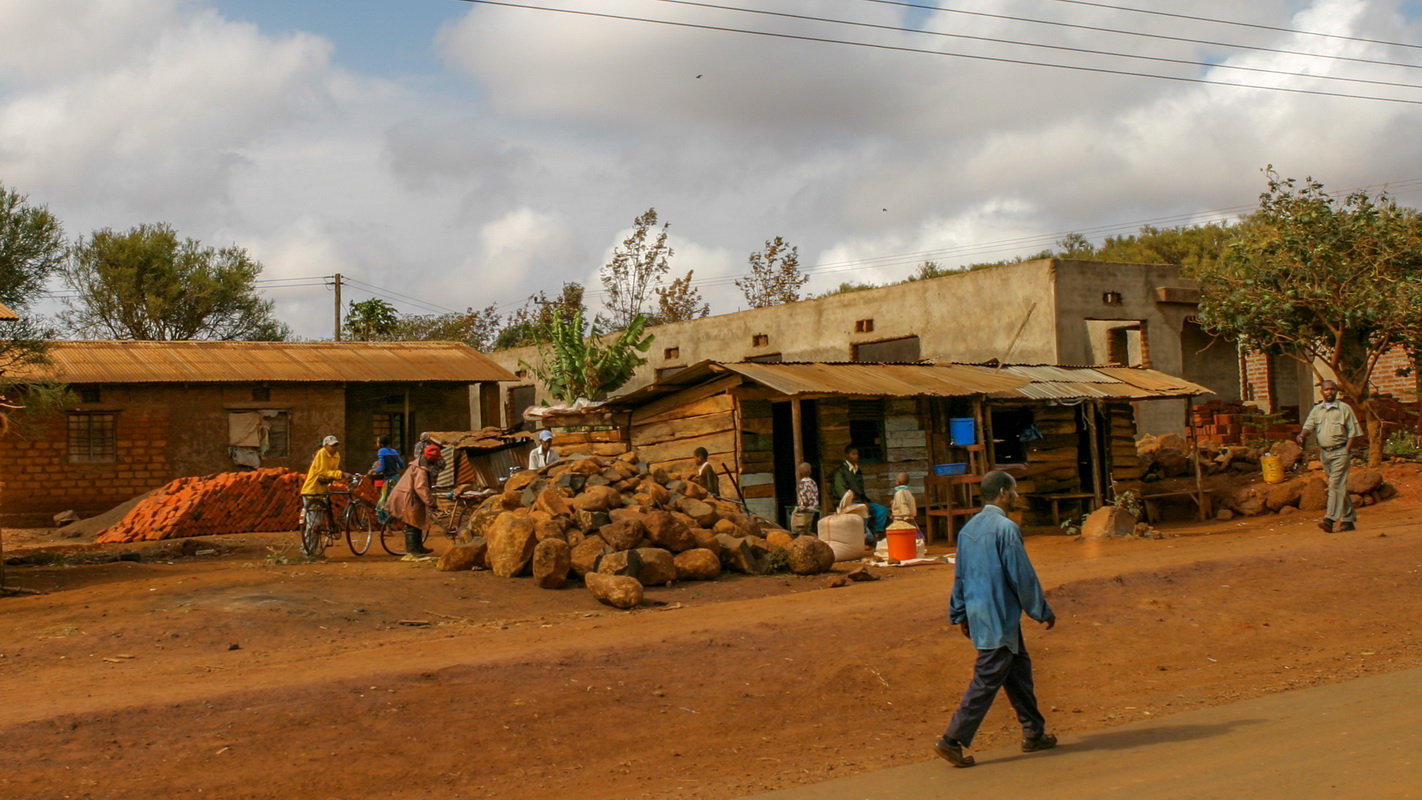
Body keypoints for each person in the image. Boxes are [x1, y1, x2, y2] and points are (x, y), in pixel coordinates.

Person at [934, 469, 1057, 769]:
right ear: (1003, 492)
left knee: (1018, 670)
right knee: (987, 677)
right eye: (1013, 490)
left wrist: (959, 613)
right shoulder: (1005, 529)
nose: (1016, 496)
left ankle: (1034, 732)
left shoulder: (968, 530)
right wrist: (1040, 610)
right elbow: (1022, 576)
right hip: (999, 615)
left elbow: (960, 576)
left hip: (981, 613)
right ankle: (952, 740)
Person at [1296, 380, 1365, 533]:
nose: (1329, 392)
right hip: (1325, 453)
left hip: (1341, 451)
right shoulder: (1317, 410)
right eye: (1327, 389)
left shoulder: (1344, 409)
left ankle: (1330, 519)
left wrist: (1346, 450)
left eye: (1332, 389)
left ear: (1336, 391)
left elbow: (1353, 432)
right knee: (1338, 486)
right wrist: (1302, 435)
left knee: (1334, 484)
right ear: (1322, 391)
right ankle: (1348, 520)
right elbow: (1309, 426)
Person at [386, 444, 442, 558]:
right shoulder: (420, 470)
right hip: (407, 498)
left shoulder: (420, 465)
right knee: (412, 523)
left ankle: (418, 547)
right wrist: (431, 502)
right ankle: (412, 550)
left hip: (412, 497)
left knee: (417, 523)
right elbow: (421, 487)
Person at [830, 445, 890, 545]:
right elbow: (842, 494)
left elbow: (860, 491)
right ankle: (864, 539)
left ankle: (877, 534)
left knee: (882, 510)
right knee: (863, 511)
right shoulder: (840, 472)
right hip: (847, 503)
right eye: (853, 454)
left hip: (861, 501)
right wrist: (860, 503)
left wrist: (864, 501)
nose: (856, 456)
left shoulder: (857, 470)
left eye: (857, 454)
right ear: (846, 455)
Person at [301, 435, 350, 535]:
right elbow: (323, 472)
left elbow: (333, 472)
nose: (334, 448)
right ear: (325, 446)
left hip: (322, 490)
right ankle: (306, 549)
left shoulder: (336, 456)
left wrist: (343, 478)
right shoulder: (322, 453)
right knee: (314, 522)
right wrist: (341, 474)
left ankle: (313, 549)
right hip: (312, 489)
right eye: (331, 446)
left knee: (317, 521)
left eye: (336, 445)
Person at [791, 461, 819, 534]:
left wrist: (801, 508)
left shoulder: (803, 484)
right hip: (812, 509)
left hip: (805, 509)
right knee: (808, 527)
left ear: (799, 473)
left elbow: (805, 497)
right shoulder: (813, 482)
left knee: (798, 528)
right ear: (810, 472)